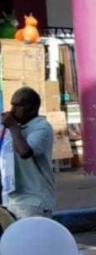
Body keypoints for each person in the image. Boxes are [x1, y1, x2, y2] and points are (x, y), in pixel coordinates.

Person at [1, 88, 55, 220]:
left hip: (33, 201)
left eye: (18, 106)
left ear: (32, 109)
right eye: (12, 105)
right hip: (10, 198)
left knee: (31, 239)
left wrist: (13, 127)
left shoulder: (42, 127)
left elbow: (25, 152)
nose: (13, 110)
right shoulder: (11, 129)